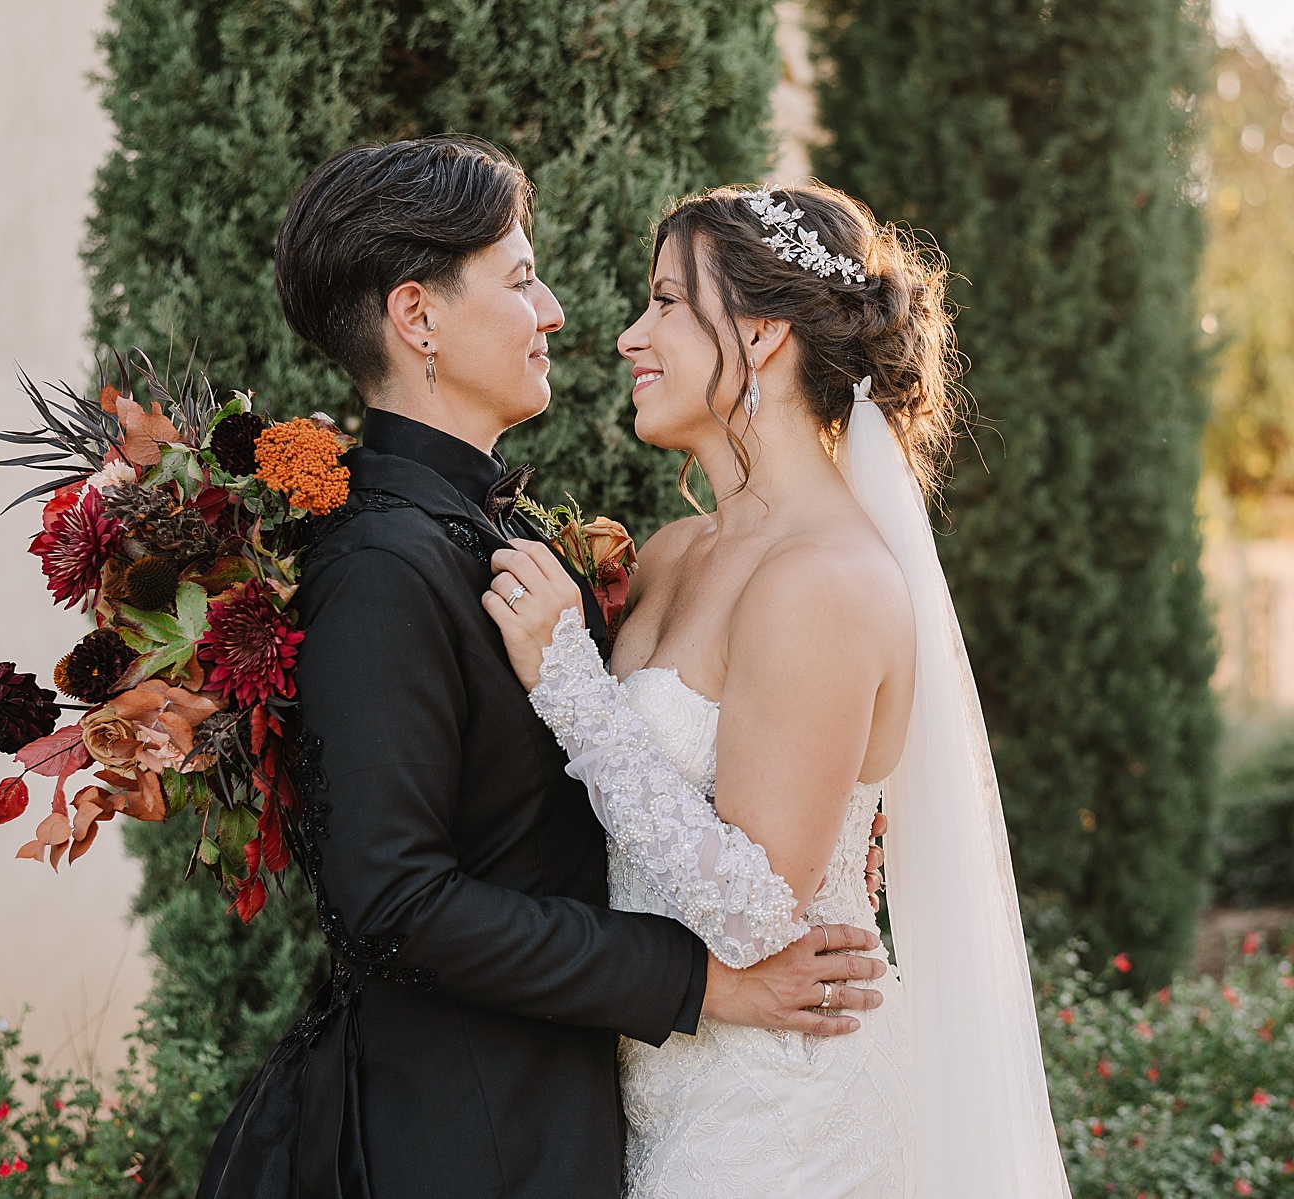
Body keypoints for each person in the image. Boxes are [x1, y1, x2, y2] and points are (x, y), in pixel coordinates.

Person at [196, 138, 887, 1199]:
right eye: (522, 280)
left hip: (611, 1113)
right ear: (418, 317)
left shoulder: (503, 537)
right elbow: (392, 902)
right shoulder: (381, 562)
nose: (561, 313)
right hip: (467, 1139)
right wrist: (699, 980)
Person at [485, 182, 1070, 1197]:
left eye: (667, 302)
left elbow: (755, 911)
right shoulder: (673, 553)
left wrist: (568, 679)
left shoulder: (827, 579)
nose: (630, 336)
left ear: (760, 335)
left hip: (783, 1119)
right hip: (647, 1082)